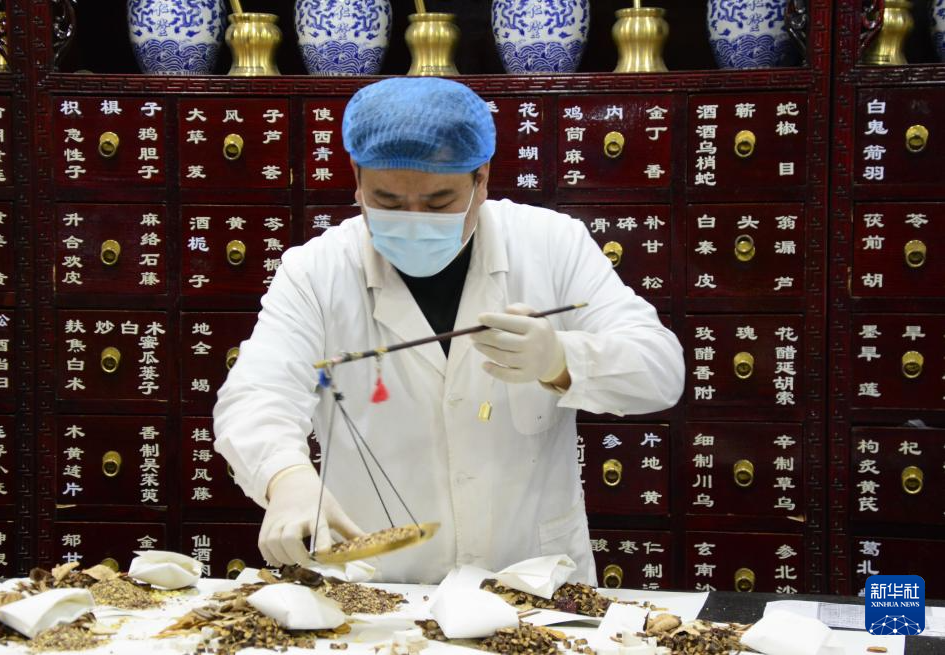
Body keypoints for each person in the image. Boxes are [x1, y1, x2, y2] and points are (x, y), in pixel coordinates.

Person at [213, 77, 684, 585]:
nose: (414, 220)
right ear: (356, 177)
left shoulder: (551, 244)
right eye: (388, 201)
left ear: (482, 179)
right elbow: (257, 394)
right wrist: (286, 477)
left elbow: (660, 370)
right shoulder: (316, 271)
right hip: (383, 586)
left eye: (439, 203)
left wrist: (562, 360)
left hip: (532, 581)